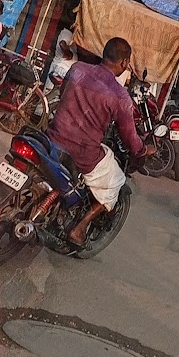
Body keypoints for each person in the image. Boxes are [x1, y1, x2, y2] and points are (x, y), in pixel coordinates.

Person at [47, 37, 146, 247]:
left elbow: (62, 94)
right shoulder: (120, 96)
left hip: (53, 136)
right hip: (81, 153)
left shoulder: (77, 68)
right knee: (116, 179)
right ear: (124, 63)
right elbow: (130, 138)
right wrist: (142, 150)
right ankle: (79, 228)